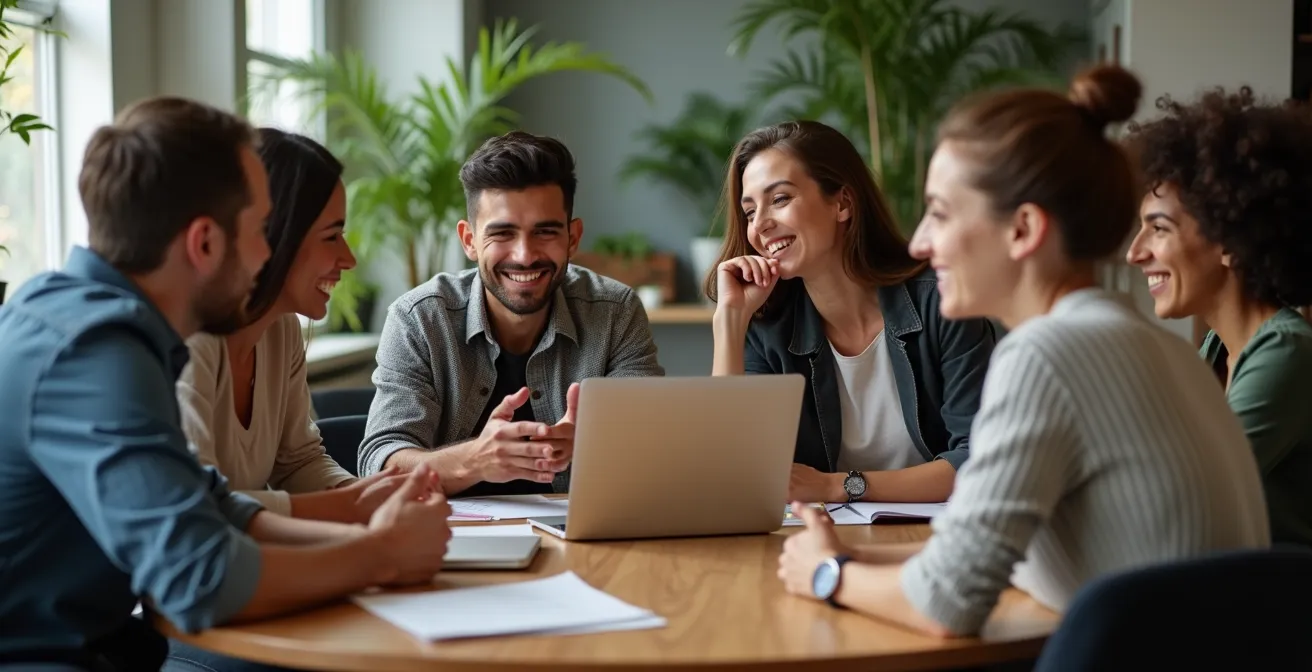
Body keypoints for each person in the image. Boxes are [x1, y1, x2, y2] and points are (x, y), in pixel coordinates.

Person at [777, 66, 1270, 638]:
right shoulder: (1159, 346)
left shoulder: (1044, 355)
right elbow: (990, 561)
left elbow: (946, 604)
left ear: (1023, 230)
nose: (919, 243)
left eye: (939, 213)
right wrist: (850, 559)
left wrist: (827, 574)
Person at [0, 96, 452, 672]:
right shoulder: (95, 354)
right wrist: (379, 555)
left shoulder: (88, 320)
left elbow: (206, 501)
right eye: (259, 231)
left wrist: (362, 517)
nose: (269, 253)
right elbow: (200, 575)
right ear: (205, 243)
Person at [359, 130, 664, 495]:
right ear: (469, 240)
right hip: (449, 542)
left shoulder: (616, 312)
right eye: (502, 234)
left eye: (545, 232)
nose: (524, 255)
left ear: (573, 237)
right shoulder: (419, 320)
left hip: (580, 540)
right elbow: (381, 464)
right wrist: (476, 460)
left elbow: (651, 444)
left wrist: (590, 442)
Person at [708, 119, 997, 504]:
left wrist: (838, 486)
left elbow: (980, 461)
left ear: (842, 203)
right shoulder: (768, 325)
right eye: (749, 211)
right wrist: (730, 320)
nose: (760, 225)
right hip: (817, 537)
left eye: (779, 199)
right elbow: (733, 472)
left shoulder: (943, 301)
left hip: (940, 537)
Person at [175, 128, 400, 524]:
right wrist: (351, 508)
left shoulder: (280, 328)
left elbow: (297, 463)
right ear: (276, 233)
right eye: (332, 236)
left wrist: (373, 496)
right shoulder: (189, 343)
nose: (349, 259)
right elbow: (197, 508)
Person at [1124, 87, 1312, 546]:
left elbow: (1180, 489)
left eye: (1159, 228)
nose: (1135, 253)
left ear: (1230, 240)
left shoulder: (1286, 351)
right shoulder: (1217, 350)